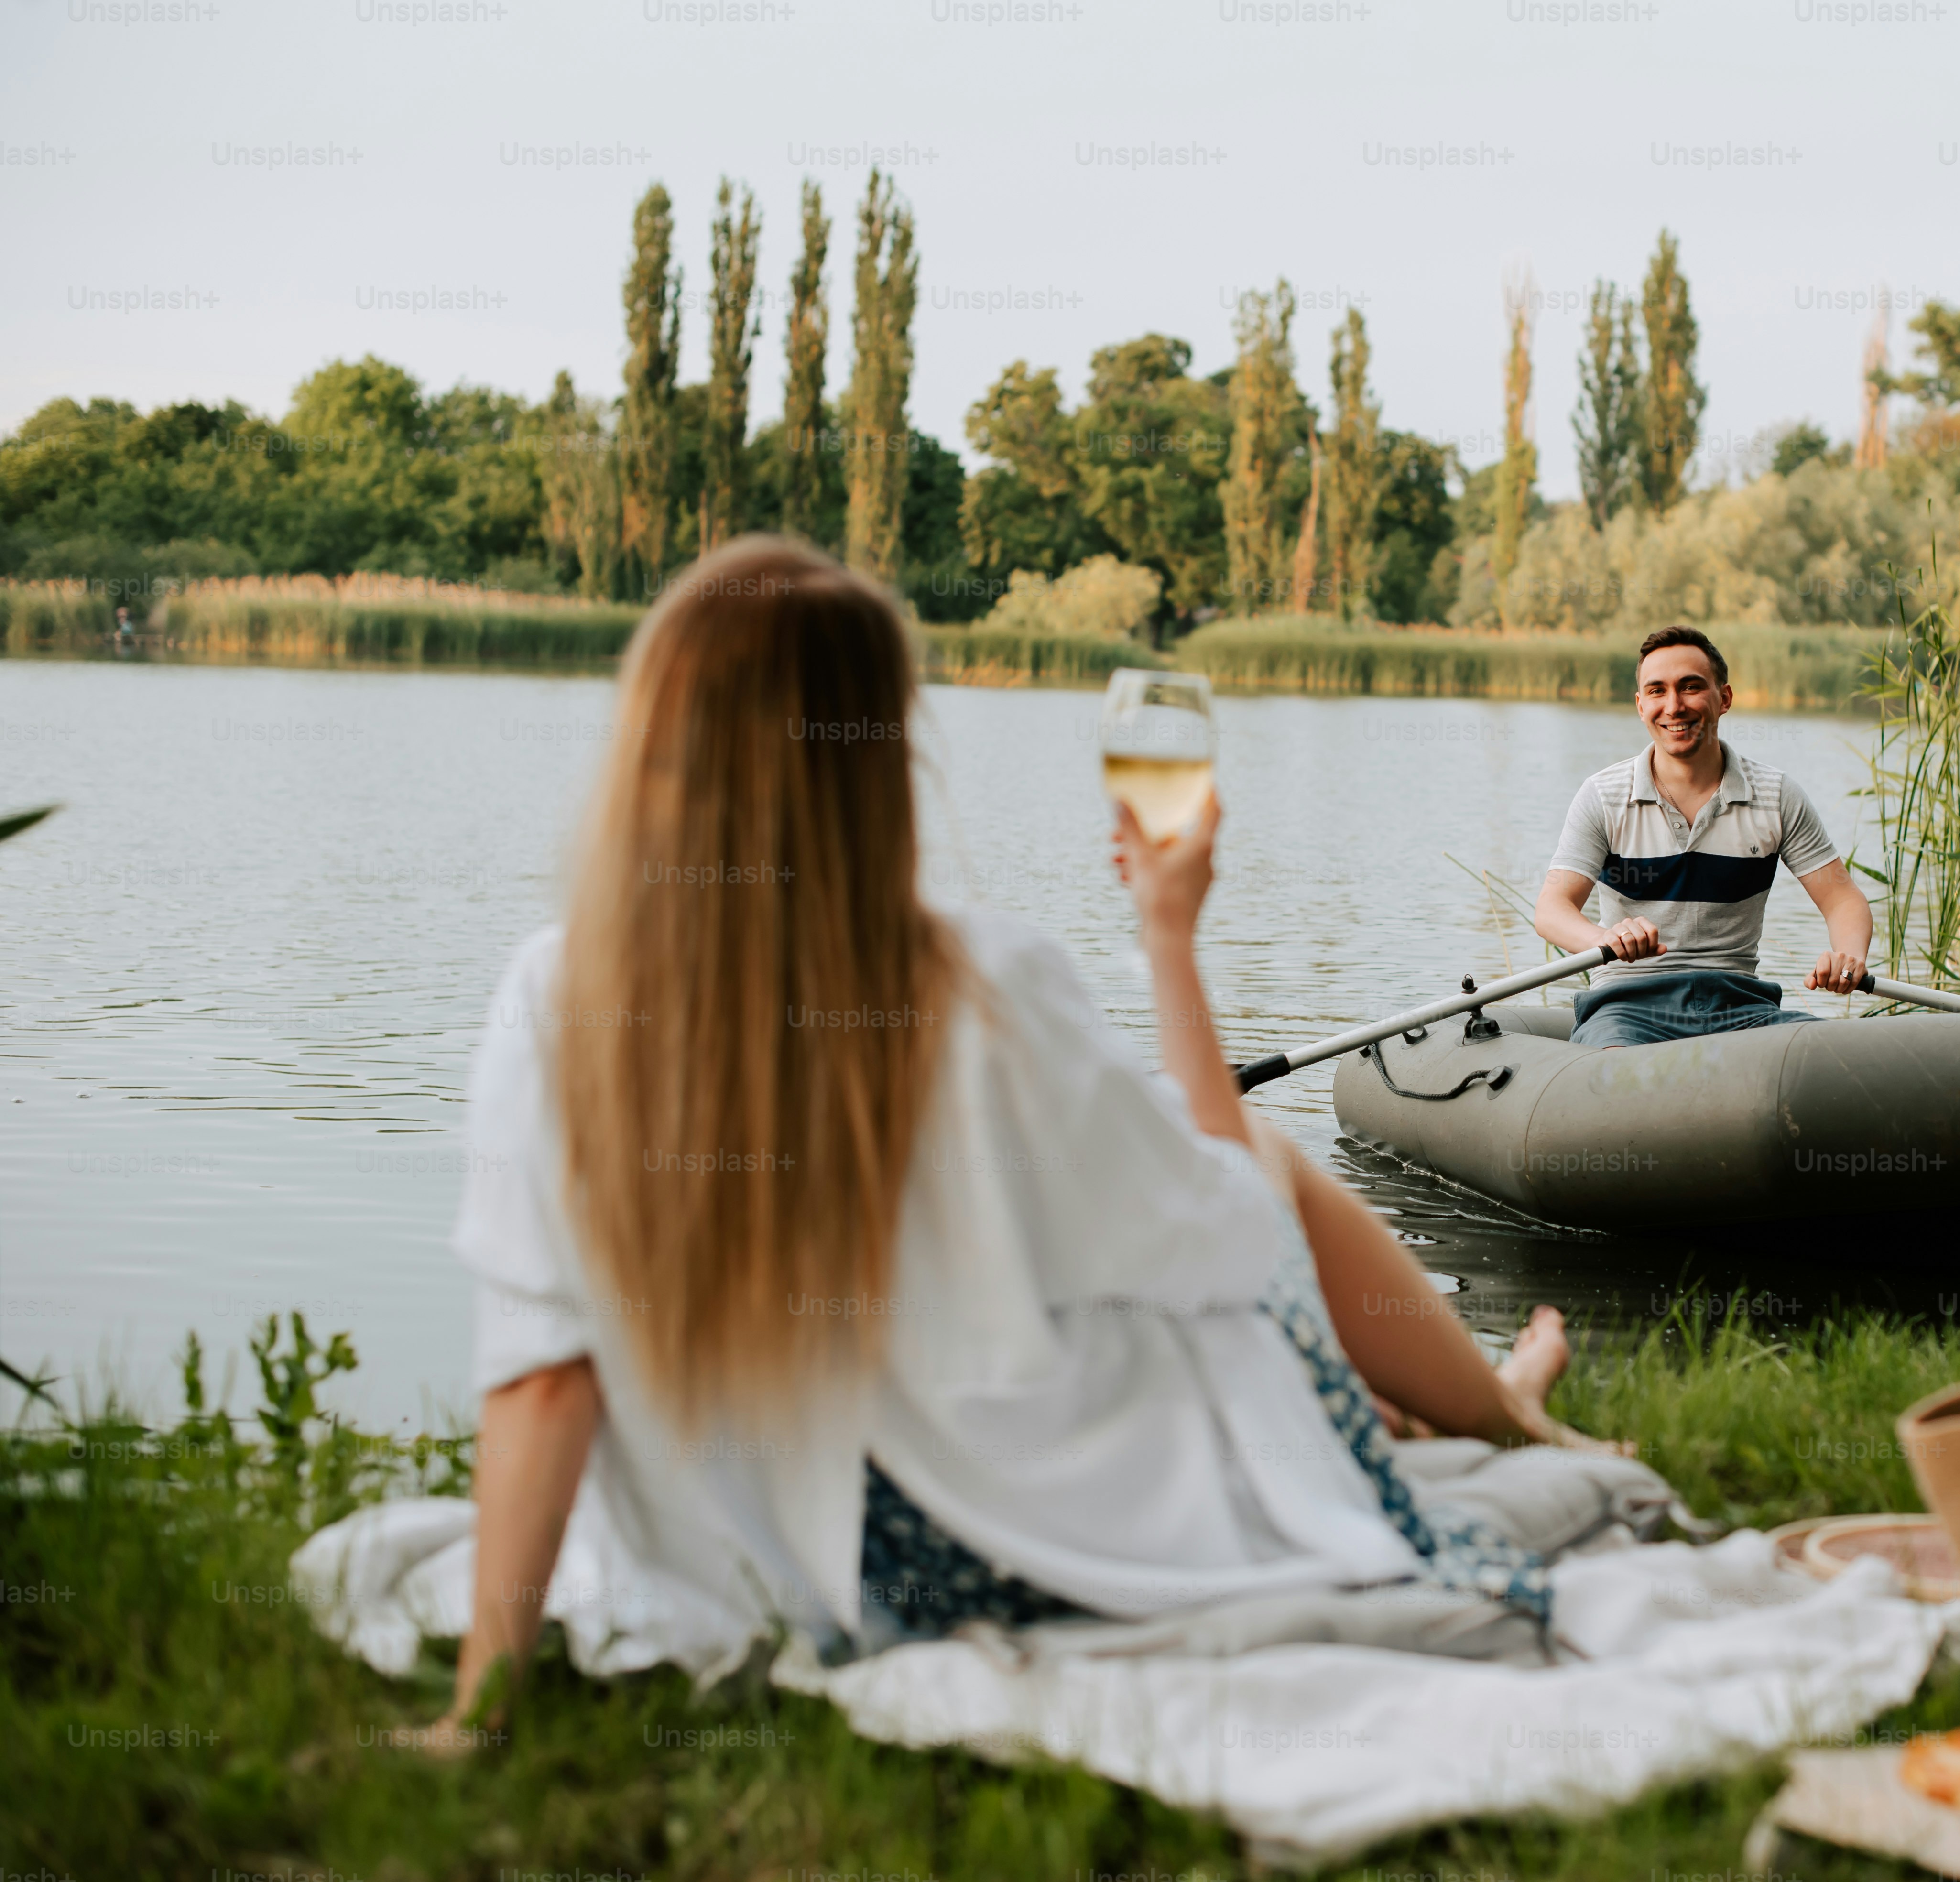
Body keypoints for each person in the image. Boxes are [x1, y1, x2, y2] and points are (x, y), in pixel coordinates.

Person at [433, 537, 1612, 1742]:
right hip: (1009, 1555)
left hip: (802, 1574)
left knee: (1149, 1203)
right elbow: (1232, 1239)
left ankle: (1435, 1410)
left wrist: (483, 1705)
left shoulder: (556, 993)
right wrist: (1168, 937)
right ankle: (1497, 1414)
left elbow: (542, 1372)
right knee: (1249, 1164)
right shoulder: (982, 982)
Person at [1532, 624, 1873, 1048]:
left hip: (1742, 1007)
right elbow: (1552, 910)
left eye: (1691, 687)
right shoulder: (1603, 795)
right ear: (1641, 705)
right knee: (1613, 1076)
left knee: (1838, 1055)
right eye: (1657, 691)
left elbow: (1841, 899)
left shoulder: (1777, 795)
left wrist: (1850, 958)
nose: (1674, 706)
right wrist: (1605, 939)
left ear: (1724, 699)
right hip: (1626, 1008)